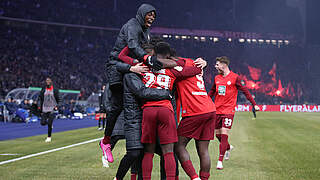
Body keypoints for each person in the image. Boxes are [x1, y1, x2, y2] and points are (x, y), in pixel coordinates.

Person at [100, 3, 163, 163]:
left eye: (154, 16)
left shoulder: (145, 31)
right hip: (117, 65)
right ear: (142, 14)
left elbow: (143, 47)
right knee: (117, 106)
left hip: (130, 63)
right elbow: (132, 47)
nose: (152, 18)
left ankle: (113, 142)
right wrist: (143, 61)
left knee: (132, 103)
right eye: (149, 14)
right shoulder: (132, 25)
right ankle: (107, 142)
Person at [140, 42, 203, 180]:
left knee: (148, 152)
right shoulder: (173, 70)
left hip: (148, 109)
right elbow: (195, 70)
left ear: (154, 53)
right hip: (165, 110)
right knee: (168, 152)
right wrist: (202, 63)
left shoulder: (144, 67)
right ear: (168, 55)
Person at [208, 56, 260, 170]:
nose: (215, 66)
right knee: (218, 135)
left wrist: (254, 104)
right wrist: (205, 101)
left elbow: (245, 91)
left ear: (224, 64)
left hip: (228, 110)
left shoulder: (235, 77)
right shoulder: (216, 78)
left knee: (224, 132)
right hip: (217, 110)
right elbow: (212, 91)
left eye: (217, 64)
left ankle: (220, 161)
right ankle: (228, 147)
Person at [174, 56, 215, 180]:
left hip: (194, 110)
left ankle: (194, 177)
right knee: (203, 150)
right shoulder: (195, 64)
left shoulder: (178, 68)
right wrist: (205, 63)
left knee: (178, 145)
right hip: (210, 109)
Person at [38, 77, 60, 143]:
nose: (47, 81)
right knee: (42, 123)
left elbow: (59, 99)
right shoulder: (43, 89)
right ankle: (49, 125)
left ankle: (49, 137)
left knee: (50, 123)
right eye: (46, 80)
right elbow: (40, 98)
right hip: (45, 108)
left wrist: (57, 106)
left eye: (48, 80)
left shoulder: (55, 89)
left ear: (51, 81)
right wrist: (39, 106)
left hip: (52, 109)